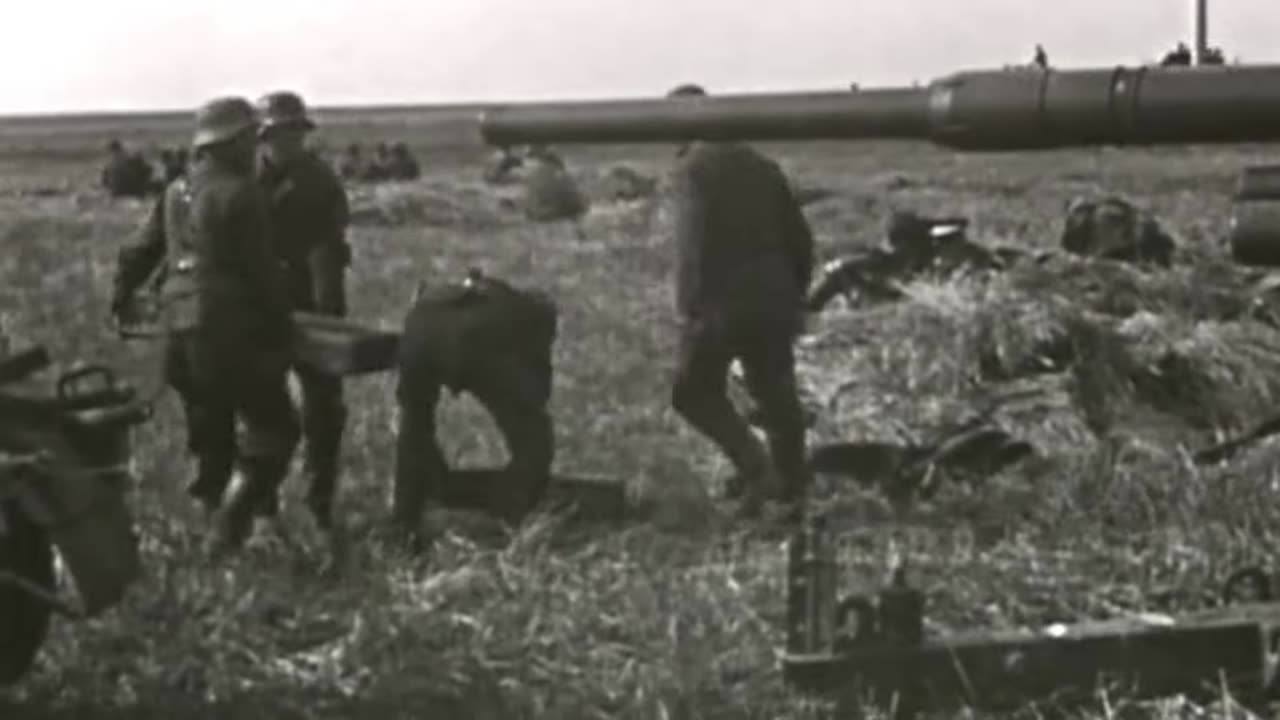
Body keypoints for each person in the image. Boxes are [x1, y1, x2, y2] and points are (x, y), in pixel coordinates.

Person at [110, 96, 299, 555]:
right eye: (250, 138)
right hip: (226, 330)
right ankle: (228, 529)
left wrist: (120, 299)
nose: (255, 147)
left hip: (179, 331)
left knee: (211, 429)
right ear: (231, 142)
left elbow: (138, 251)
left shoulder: (176, 191)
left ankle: (212, 524)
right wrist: (282, 330)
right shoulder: (242, 193)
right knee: (276, 429)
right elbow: (261, 273)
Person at [664, 84, 815, 519]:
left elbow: (694, 240)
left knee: (692, 393)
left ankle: (761, 475)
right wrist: (794, 294)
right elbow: (799, 238)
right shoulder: (761, 165)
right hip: (774, 292)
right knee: (776, 392)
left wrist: (688, 306)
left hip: (721, 298)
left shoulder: (693, 168)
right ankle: (792, 487)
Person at [392, 268, 557, 549]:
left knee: (414, 425)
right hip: (477, 339)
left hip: (419, 331)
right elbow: (538, 394)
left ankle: (405, 516)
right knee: (535, 437)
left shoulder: (465, 292)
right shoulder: (531, 316)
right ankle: (511, 517)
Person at [255, 90, 352, 529]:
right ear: (262, 136)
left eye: (295, 132)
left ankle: (319, 500)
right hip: (256, 306)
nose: (287, 141)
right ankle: (261, 506)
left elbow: (327, 249)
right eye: (278, 133)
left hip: (310, 302)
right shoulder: (241, 179)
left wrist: (327, 320)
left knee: (322, 411)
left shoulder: (318, 181)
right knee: (258, 409)